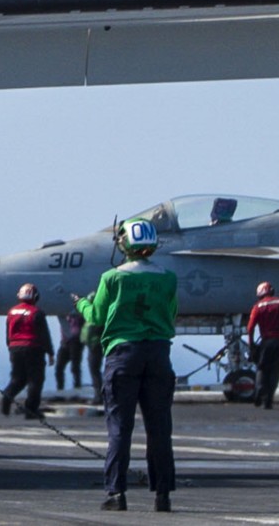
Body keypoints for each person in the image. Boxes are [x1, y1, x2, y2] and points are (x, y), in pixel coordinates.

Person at [88, 219, 177, 513]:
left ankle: (116, 494)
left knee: (119, 428)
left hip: (124, 355)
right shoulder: (168, 277)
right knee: (160, 428)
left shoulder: (111, 278)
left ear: (123, 243)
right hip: (159, 354)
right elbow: (171, 312)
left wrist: (81, 305)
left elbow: (97, 316)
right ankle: (162, 495)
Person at [0, 283, 53, 418]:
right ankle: (31, 410)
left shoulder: (11, 312)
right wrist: (50, 352)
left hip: (15, 348)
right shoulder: (37, 312)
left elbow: (8, 333)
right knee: (36, 380)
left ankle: (6, 400)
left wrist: (11, 348)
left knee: (18, 379)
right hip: (33, 348)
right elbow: (43, 334)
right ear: (35, 296)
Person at [245, 281, 279, 410]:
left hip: (266, 342)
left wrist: (251, 344)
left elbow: (250, 327)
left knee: (262, 368)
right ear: (271, 291)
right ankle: (268, 400)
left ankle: (259, 392)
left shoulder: (257, 307)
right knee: (276, 370)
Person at [53, 310, 84, 392]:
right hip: (65, 342)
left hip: (76, 341)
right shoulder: (63, 316)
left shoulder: (80, 316)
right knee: (59, 367)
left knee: (75, 367)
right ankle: (60, 388)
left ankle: (77, 387)